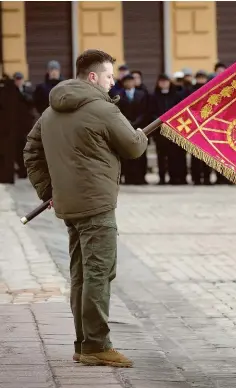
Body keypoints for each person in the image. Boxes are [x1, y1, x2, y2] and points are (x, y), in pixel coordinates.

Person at [23, 49, 148, 368]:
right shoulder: (101, 109)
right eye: (108, 76)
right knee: (98, 273)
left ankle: (84, 342)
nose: (112, 82)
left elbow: (31, 151)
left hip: (69, 204)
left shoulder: (51, 111)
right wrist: (141, 136)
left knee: (81, 273)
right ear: (92, 77)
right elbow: (133, 147)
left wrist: (48, 191)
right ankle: (95, 345)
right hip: (97, 204)